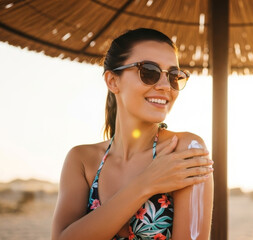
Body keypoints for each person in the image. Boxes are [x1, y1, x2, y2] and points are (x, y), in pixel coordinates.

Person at [51, 28, 214, 240]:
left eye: (174, 76)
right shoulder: (82, 160)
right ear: (112, 81)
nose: (166, 86)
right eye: (149, 72)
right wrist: (145, 183)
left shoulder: (186, 149)